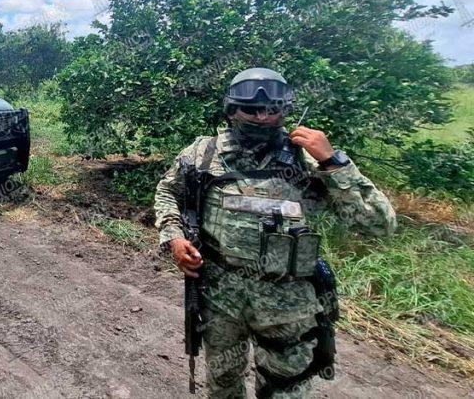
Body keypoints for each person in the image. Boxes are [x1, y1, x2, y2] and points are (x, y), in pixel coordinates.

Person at [154, 68, 396, 398]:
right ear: (231, 110)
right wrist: (174, 237)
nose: (262, 117)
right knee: (223, 385)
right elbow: (168, 191)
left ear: (285, 111)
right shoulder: (205, 153)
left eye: (272, 110)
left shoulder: (309, 157)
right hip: (220, 296)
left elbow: (378, 224)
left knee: (286, 391)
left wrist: (333, 162)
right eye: (250, 110)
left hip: (288, 304)